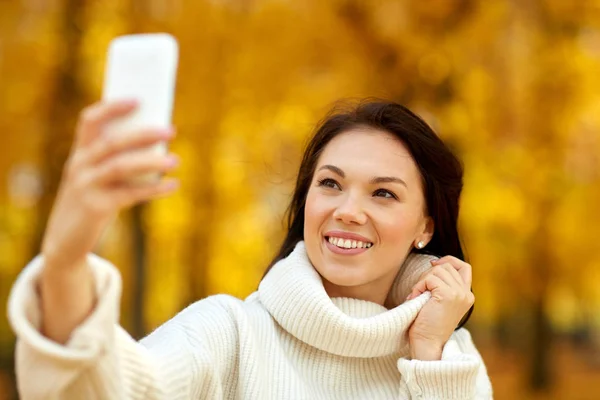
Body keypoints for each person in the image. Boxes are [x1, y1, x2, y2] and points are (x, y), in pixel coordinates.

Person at [7, 99, 493, 399]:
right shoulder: (231, 334)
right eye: (330, 184)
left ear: (425, 227)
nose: (347, 210)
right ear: (306, 201)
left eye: (382, 193)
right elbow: (107, 392)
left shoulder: (451, 359)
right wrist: (66, 258)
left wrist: (429, 354)